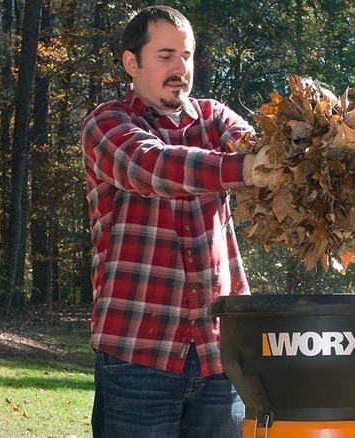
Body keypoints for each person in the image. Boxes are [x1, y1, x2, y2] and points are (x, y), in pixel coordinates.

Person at [80, 5, 280, 437]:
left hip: (218, 358)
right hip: (137, 357)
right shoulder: (107, 122)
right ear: (131, 63)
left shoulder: (214, 118)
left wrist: (298, 154)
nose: (180, 68)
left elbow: (262, 148)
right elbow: (152, 166)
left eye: (186, 56)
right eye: (166, 55)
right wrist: (244, 169)